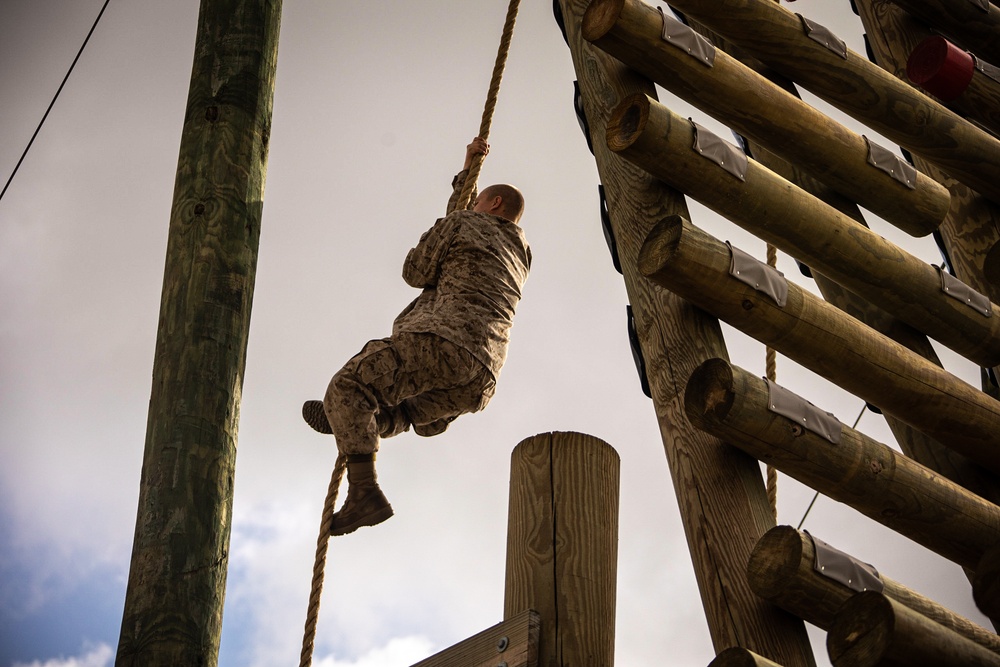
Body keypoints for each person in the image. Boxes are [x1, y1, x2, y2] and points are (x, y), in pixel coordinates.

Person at [302, 137, 531, 536]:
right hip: (481, 377)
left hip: (442, 342)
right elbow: (463, 220)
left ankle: (364, 492)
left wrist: (462, 195)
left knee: (348, 387)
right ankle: (356, 426)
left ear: (493, 205)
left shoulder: (465, 225)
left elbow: (416, 271)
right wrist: (468, 172)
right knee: (401, 413)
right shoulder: (520, 252)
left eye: (479, 202)